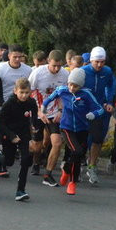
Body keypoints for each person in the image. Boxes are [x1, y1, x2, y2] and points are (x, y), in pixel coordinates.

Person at [41, 68, 104, 196]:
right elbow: (49, 98)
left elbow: (100, 109)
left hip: (82, 129)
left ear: (80, 85)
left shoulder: (86, 94)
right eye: (70, 84)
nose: (71, 88)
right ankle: (72, 183)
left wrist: (93, 114)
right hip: (66, 127)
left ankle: (67, 170)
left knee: (78, 156)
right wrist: (43, 107)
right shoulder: (62, 90)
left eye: (75, 86)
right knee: (77, 151)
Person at [28, 50, 69, 186]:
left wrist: (61, 111)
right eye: (53, 66)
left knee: (56, 143)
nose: (56, 69)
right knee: (37, 146)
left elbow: (65, 94)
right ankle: (35, 161)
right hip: (38, 111)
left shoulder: (65, 74)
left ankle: (48, 174)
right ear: (48, 62)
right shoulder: (38, 73)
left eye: (59, 66)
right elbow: (30, 92)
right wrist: (38, 111)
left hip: (54, 112)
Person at [0, 78, 37, 201]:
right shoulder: (9, 104)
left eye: (27, 93)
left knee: (25, 160)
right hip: (9, 133)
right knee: (9, 162)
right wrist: (11, 136)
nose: (24, 96)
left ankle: (20, 190)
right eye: (21, 92)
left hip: (24, 134)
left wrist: (34, 128)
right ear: (15, 91)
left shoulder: (31, 102)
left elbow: (34, 118)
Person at [81, 46, 116, 185]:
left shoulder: (107, 72)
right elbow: (74, 87)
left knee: (97, 139)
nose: (99, 64)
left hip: (98, 109)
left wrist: (108, 101)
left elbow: (110, 86)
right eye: (97, 62)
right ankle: (76, 164)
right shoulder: (83, 71)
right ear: (91, 61)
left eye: (102, 61)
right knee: (82, 139)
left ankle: (92, 166)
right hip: (83, 109)